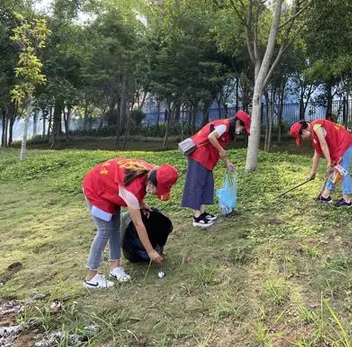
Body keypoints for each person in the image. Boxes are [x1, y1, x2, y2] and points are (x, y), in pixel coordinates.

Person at [82, 158, 179, 289]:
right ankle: (91, 277)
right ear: (150, 183)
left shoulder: (152, 171)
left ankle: (115, 268)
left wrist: (142, 204)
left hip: (110, 187)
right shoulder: (131, 189)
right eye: (159, 189)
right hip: (96, 188)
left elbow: (138, 191)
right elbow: (138, 224)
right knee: (105, 230)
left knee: (115, 228)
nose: (159, 193)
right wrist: (150, 251)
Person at [182, 110, 251, 227]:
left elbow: (220, 149)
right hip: (199, 156)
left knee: (208, 184)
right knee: (197, 184)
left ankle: (203, 213)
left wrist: (227, 162)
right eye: (243, 129)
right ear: (238, 122)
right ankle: (197, 217)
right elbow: (211, 137)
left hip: (207, 159)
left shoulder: (227, 130)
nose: (241, 131)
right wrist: (221, 150)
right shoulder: (224, 125)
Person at [289, 119, 352, 207]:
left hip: (346, 143)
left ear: (303, 131)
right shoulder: (314, 136)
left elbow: (323, 144)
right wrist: (312, 173)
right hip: (338, 147)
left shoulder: (316, 126)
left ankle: (347, 201)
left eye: (301, 136)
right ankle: (325, 195)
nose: (302, 139)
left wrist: (329, 162)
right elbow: (316, 155)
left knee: (343, 170)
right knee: (333, 169)